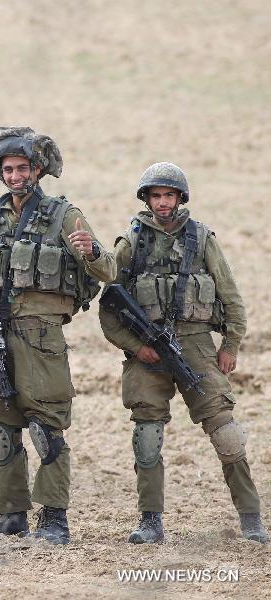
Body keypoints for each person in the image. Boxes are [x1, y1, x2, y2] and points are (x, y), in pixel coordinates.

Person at [98, 162, 268, 544]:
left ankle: (251, 518)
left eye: (169, 195)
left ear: (180, 198)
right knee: (146, 436)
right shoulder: (131, 242)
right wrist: (136, 347)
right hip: (148, 354)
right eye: (156, 195)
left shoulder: (201, 238)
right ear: (147, 199)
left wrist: (231, 345)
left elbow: (232, 298)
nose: (162, 202)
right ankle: (150, 521)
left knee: (227, 435)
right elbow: (108, 309)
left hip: (196, 346)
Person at [0, 127, 116, 545]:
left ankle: (53, 520)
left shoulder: (65, 215)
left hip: (42, 337)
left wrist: (93, 253)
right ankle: (10, 515)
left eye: (23, 168)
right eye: (8, 169)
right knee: (3, 427)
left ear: (38, 169)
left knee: (46, 428)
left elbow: (109, 270)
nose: (15, 176)